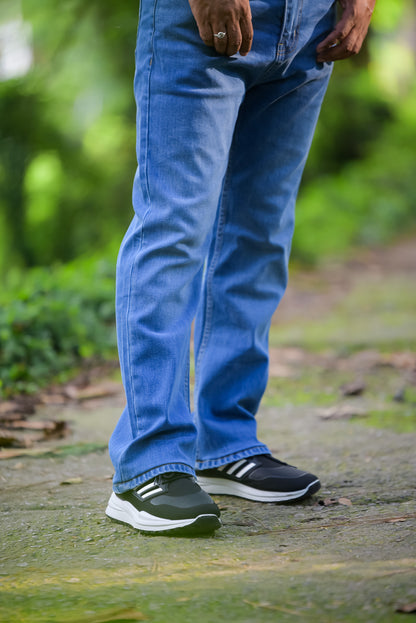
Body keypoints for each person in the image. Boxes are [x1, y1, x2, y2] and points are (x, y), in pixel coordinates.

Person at [105, 0, 375, 536]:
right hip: (202, 19)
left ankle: (224, 441)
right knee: (175, 227)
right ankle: (148, 463)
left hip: (312, 26)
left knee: (260, 231)